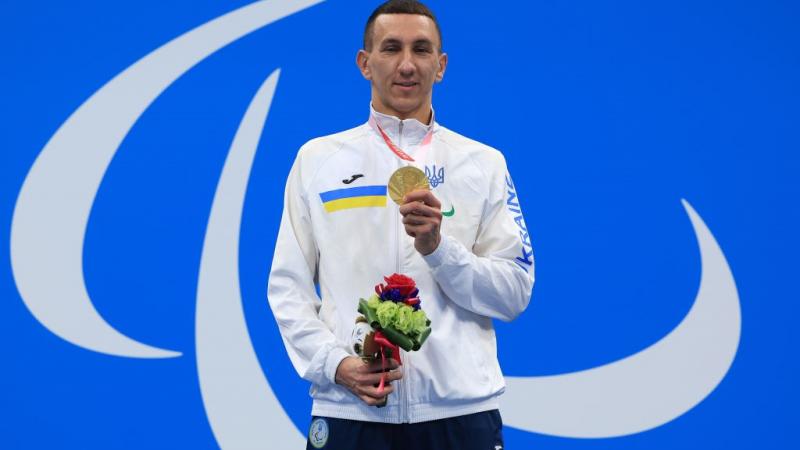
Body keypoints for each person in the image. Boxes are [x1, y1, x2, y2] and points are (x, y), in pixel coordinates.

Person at [267, 1, 534, 448]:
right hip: (349, 411)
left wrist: (438, 249)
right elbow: (287, 289)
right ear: (365, 63)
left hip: (459, 416)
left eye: (422, 50)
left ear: (441, 65)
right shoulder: (318, 160)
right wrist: (336, 365)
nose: (407, 65)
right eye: (391, 48)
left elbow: (513, 293)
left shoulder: (483, 164)